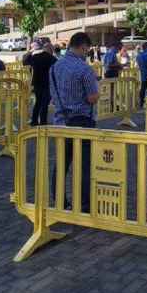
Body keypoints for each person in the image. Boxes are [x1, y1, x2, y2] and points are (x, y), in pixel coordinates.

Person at [49, 32, 100, 210]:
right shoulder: (85, 69)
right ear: (83, 47)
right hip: (82, 121)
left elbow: (53, 96)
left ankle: (59, 201)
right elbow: (93, 97)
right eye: (87, 49)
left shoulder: (55, 67)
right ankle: (84, 204)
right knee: (84, 164)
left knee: (61, 163)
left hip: (60, 121)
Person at [29, 41, 57, 125]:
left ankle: (34, 120)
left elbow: (30, 67)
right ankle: (43, 122)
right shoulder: (52, 58)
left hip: (37, 82)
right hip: (47, 83)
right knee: (44, 103)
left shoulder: (35, 56)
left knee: (38, 102)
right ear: (50, 49)